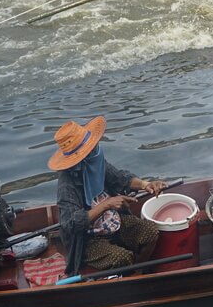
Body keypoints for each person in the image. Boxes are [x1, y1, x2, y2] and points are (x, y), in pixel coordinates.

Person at [48, 116, 166, 276]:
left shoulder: (95, 163)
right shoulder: (66, 184)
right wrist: (106, 204)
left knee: (150, 232)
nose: (96, 150)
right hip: (89, 239)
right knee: (121, 258)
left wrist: (146, 184)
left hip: (113, 221)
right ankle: (129, 278)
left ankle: (137, 272)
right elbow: (70, 224)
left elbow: (120, 178)